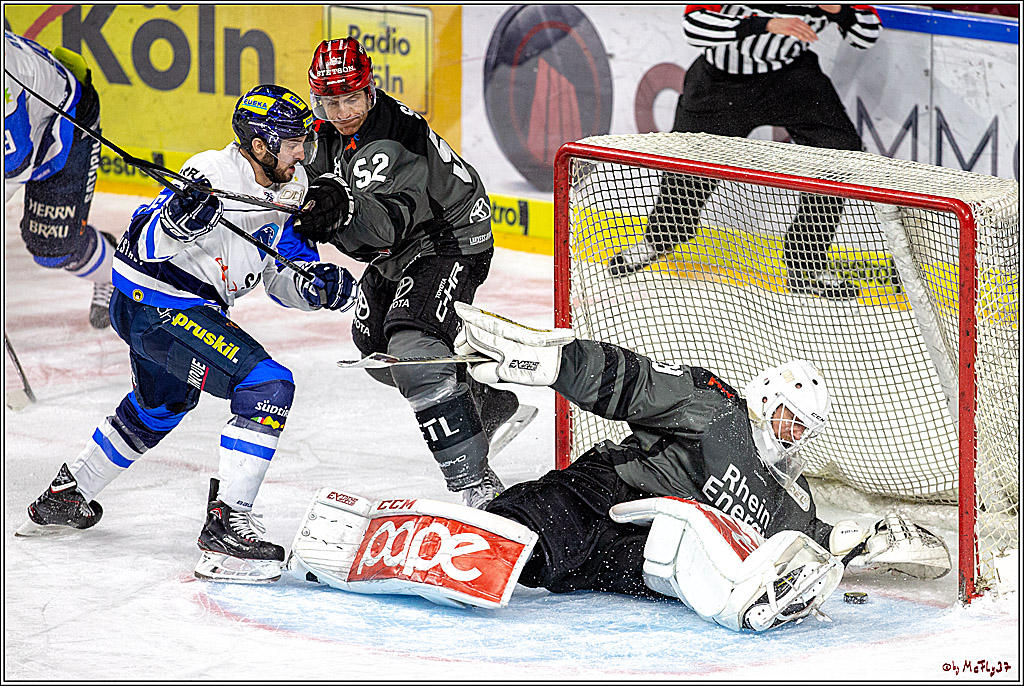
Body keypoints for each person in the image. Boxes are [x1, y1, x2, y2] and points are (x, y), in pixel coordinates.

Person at [16, 84, 359, 584]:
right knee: (266, 386)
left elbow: (281, 273)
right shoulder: (211, 173)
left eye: (302, 141)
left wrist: (319, 286)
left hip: (165, 310)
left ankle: (65, 496)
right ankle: (224, 532)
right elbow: (144, 241)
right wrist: (179, 222)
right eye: (291, 142)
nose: (301, 151)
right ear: (260, 144)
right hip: (156, 303)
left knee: (159, 407)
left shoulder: (293, 185)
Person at [291, 37, 529, 508]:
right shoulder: (322, 132)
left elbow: (382, 229)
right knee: (377, 355)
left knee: (414, 354)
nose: (340, 112)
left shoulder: (394, 137)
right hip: (401, 249)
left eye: (350, 98)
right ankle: (483, 403)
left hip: (450, 240)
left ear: (370, 89)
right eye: (328, 101)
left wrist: (343, 205)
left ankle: (478, 489)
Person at [607, 5, 882, 300]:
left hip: (791, 78)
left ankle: (806, 263)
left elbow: (866, 35)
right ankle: (661, 238)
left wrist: (839, 11)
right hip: (721, 83)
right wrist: (765, 24)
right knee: (687, 164)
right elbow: (695, 26)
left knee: (838, 157)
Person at [4, 30, 117, 328]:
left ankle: (115, 273)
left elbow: (14, 165)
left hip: (65, 123)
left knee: (53, 247)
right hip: (31, 122)